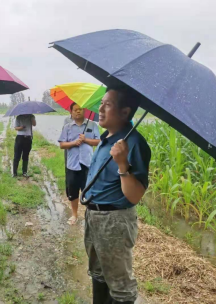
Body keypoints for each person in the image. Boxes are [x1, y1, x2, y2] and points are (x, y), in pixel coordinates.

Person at [84, 87, 151, 304]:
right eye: (101, 103)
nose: (100, 109)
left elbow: (134, 196)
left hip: (114, 220)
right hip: (93, 216)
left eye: (108, 104)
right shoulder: (106, 139)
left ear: (125, 112)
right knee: (98, 272)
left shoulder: (134, 144)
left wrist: (122, 164)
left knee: (121, 286)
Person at [58, 103, 100, 225]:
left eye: (80, 109)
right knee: (73, 191)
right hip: (72, 164)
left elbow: (99, 141)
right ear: (71, 112)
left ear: (85, 111)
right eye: (75, 110)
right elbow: (62, 144)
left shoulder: (92, 125)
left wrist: (86, 139)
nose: (78, 112)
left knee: (88, 190)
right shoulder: (67, 127)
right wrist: (74, 143)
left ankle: (89, 215)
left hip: (88, 163)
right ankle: (74, 215)